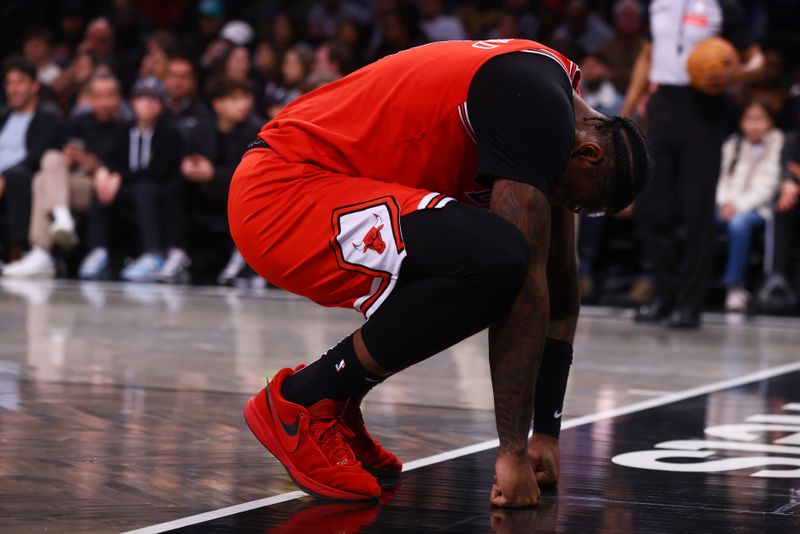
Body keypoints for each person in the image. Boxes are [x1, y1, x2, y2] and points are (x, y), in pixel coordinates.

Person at [231, 39, 650, 505]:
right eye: (571, 198)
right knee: (497, 258)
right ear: (588, 154)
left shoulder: (551, 107)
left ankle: (336, 398)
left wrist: (546, 431)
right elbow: (525, 286)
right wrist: (511, 452)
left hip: (322, 191)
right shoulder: (534, 105)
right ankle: (304, 400)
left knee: (492, 257)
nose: (561, 206)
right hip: (281, 194)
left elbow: (559, 282)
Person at [622, 0, 765, 328]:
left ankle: (690, 304)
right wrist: (625, 112)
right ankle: (665, 293)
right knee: (650, 204)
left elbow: (757, 58)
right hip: (663, 105)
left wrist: (739, 73)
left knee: (697, 208)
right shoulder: (655, 4)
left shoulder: (725, 7)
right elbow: (648, 54)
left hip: (704, 107)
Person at [2, 73, 126, 279]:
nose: (104, 102)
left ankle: (43, 251)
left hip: (103, 188)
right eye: (98, 96)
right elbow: (63, 151)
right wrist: (71, 158)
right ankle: (61, 220)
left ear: (119, 98)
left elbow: (129, 167)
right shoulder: (78, 122)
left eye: (110, 96)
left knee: (43, 180)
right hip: (72, 185)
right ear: (89, 99)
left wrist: (97, 166)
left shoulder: (126, 127)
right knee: (49, 162)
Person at [158, 77, 262, 284]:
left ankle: (244, 258)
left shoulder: (257, 129)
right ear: (217, 104)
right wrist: (188, 166)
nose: (244, 104)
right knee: (173, 189)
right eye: (235, 99)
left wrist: (213, 173)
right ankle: (176, 254)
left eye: (246, 97)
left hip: (240, 195)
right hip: (206, 193)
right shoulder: (201, 128)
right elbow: (189, 158)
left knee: (251, 193)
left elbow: (255, 172)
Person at [80, 77, 182, 281]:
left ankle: (153, 254)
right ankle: (98, 250)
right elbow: (112, 159)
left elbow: (159, 170)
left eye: (154, 100)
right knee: (101, 187)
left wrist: (120, 177)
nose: (147, 104)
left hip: (159, 191)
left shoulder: (169, 131)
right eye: (142, 98)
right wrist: (105, 174)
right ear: (133, 102)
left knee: (144, 188)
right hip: (130, 188)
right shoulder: (124, 129)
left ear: (162, 105)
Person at [716, 99, 783, 311]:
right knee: (697, 219)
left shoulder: (777, 143)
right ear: (741, 122)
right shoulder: (732, 144)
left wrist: (737, 206)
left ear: (770, 122)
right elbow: (721, 179)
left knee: (739, 225)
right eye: (749, 119)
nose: (754, 125)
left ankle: (734, 285)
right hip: (726, 207)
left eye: (759, 119)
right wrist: (725, 202)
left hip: (757, 210)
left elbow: (768, 185)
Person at [0, 57, 63, 262]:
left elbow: (37, 157)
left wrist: (3, 177)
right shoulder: (4, 116)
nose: (13, 89)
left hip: (26, 177)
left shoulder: (48, 116)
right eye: (9, 83)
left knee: (17, 177)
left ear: (34, 86)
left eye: (19, 82)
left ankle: (17, 251)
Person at [576, 52, 625, 298]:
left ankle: (585, 270)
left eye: (597, 65)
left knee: (594, 201)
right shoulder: (571, 98)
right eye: (587, 65)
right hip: (575, 171)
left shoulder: (619, 103)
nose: (591, 69)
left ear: (608, 71)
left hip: (607, 175)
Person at [758, 123, 800, 311]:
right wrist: (788, 182)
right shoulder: (792, 140)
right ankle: (776, 277)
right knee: (782, 204)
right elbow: (787, 168)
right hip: (794, 200)